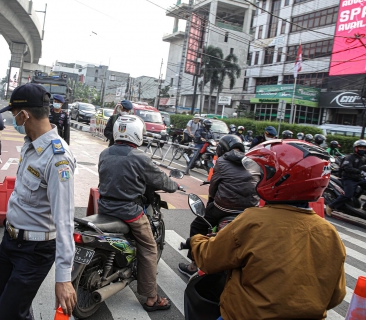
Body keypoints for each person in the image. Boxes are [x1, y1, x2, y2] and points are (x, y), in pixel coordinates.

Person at [185, 140, 346, 320]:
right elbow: (336, 295)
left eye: (265, 173)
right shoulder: (329, 233)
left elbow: (209, 259)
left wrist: (196, 241)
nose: (259, 177)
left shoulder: (254, 221)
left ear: (282, 178)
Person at [0, 83, 77, 319]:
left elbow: (64, 221)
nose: (13, 121)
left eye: (14, 115)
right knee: (9, 309)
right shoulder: (31, 144)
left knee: (6, 316)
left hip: (34, 251)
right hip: (10, 242)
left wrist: (63, 278)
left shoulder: (57, 158)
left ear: (24, 115)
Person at [98, 115, 178, 311]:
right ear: (136, 134)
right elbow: (162, 181)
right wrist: (174, 185)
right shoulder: (139, 157)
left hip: (105, 208)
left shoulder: (105, 153)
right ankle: (152, 298)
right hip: (129, 212)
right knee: (149, 248)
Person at [178, 135, 258, 276]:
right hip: (249, 210)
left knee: (198, 226)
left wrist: (211, 201)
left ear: (222, 149)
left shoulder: (221, 161)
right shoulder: (252, 161)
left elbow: (214, 186)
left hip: (224, 208)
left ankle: (193, 266)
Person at [327, 139, 366, 215]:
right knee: (348, 195)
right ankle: (331, 206)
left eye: (364, 148)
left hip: (359, 178)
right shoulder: (350, 157)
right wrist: (359, 171)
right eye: (361, 148)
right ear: (356, 148)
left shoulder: (364, 158)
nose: (363, 150)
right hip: (349, 179)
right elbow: (347, 167)